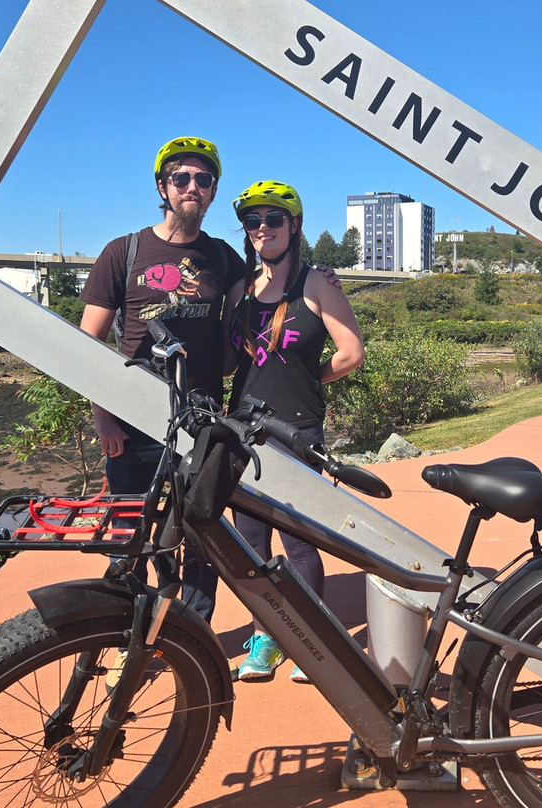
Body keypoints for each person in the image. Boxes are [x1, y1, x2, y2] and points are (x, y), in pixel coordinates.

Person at [80, 136, 242, 622]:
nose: (192, 186)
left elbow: (270, 293)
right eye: (181, 177)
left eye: (203, 179)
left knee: (199, 537)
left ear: (213, 192)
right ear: (162, 186)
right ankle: (122, 633)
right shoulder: (123, 252)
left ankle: (190, 635)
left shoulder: (224, 258)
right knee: (128, 536)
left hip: (201, 420)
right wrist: (103, 418)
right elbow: (88, 345)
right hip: (134, 420)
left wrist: (318, 277)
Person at [223, 180, 365, 683]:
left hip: (297, 429)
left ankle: (312, 635)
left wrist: (310, 379)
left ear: (294, 225)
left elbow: (351, 353)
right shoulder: (239, 289)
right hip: (242, 428)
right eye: (252, 220)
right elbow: (228, 363)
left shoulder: (316, 283)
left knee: (298, 541)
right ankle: (266, 635)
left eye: (273, 219)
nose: (262, 228)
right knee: (249, 542)